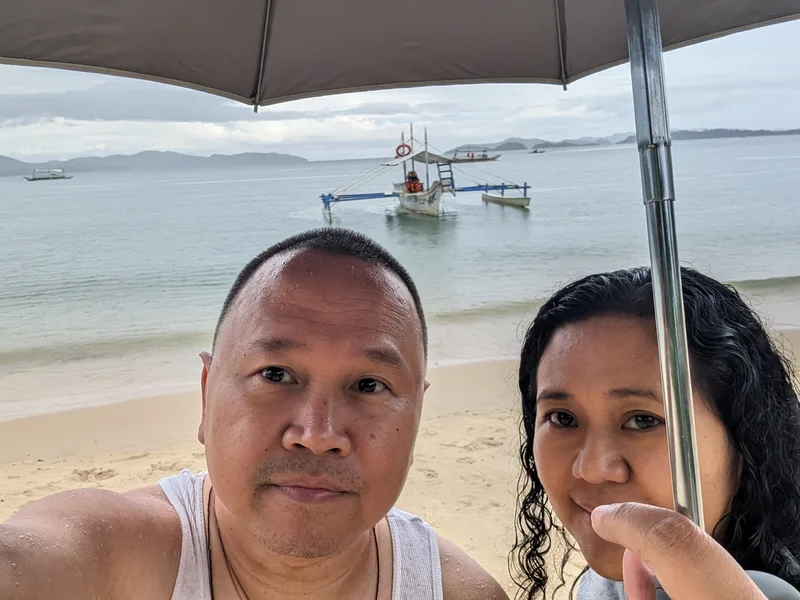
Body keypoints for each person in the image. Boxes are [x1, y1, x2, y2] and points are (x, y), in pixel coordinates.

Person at [0, 228, 508, 600]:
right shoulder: (112, 557)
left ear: (417, 416)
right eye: (276, 375)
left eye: (369, 385)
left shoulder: (456, 591)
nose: (317, 435)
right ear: (206, 395)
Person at [512, 267, 800, 600]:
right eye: (563, 418)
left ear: (747, 436)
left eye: (642, 420)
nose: (591, 469)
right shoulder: (603, 588)